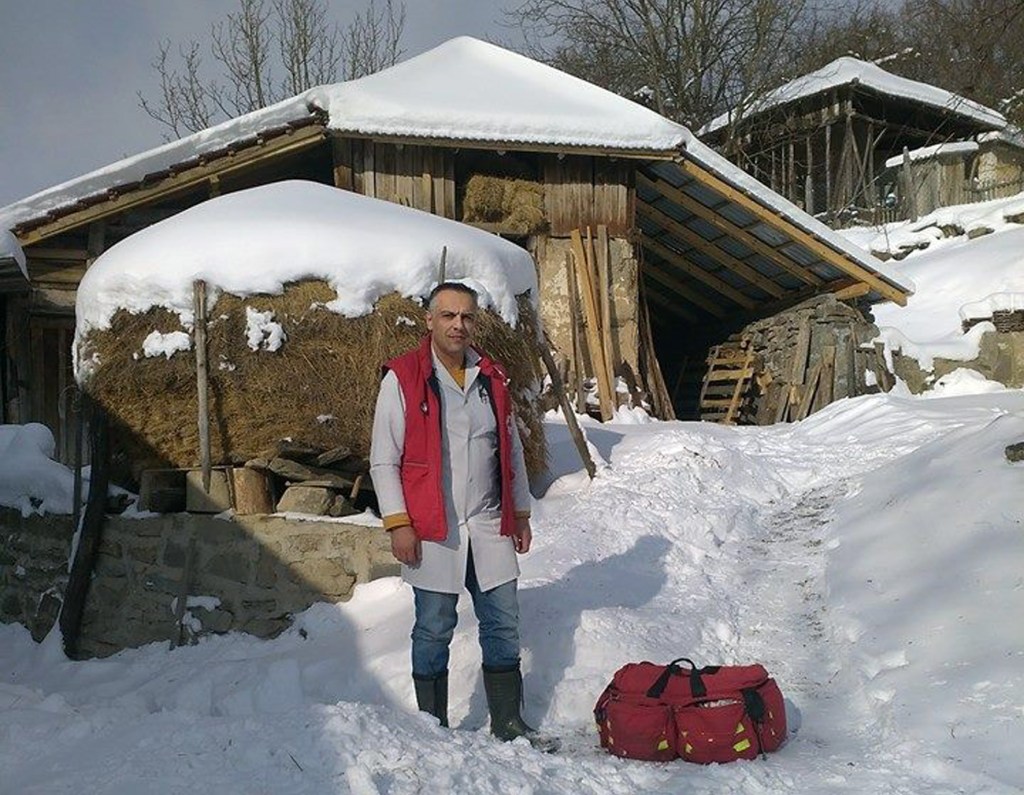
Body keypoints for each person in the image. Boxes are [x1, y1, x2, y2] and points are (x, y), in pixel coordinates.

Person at [369, 281, 557, 752]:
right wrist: (398, 522)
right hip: (433, 528)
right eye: (448, 315)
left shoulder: (491, 377)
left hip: (489, 522)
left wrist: (520, 511)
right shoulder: (405, 378)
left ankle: (508, 723)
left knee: (502, 622)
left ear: (476, 322)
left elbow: (509, 448)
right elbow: (382, 459)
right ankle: (432, 728)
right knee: (434, 625)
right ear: (429, 321)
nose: (458, 325)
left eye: (467, 317)